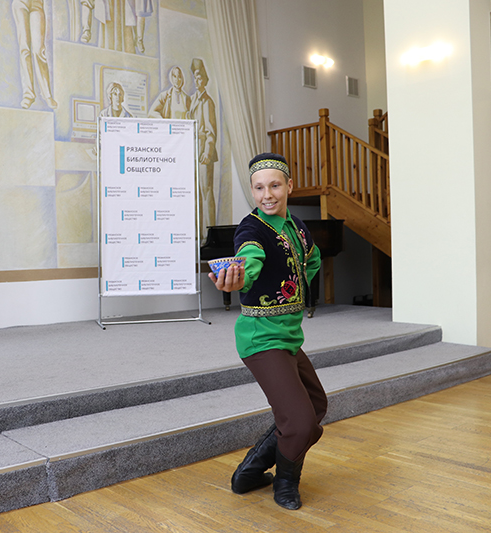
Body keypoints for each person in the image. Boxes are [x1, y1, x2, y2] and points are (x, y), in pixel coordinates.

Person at [209, 153, 327, 511]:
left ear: (289, 186)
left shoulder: (298, 227)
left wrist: (297, 285)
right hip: (261, 338)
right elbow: (249, 257)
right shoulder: (252, 229)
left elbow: (313, 258)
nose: (267, 195)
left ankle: (250, 470)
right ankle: (286, 482)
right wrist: (240, 278)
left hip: (288, 336)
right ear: (252, 191)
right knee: (301, 423)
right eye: (259, 188)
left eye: (274, 185)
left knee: (316, 406)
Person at [188, 58, 217, 239]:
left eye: (200, 78)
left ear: (205, 80)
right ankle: (198, 235)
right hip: (192, 152)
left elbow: (211, 131)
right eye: (195, 77)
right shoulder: (191, 100)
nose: (197, 80)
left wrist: (207, 151)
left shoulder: (207, 102)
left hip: (204, 152)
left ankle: (210, 234)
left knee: (207, 192)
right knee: (196, 194)